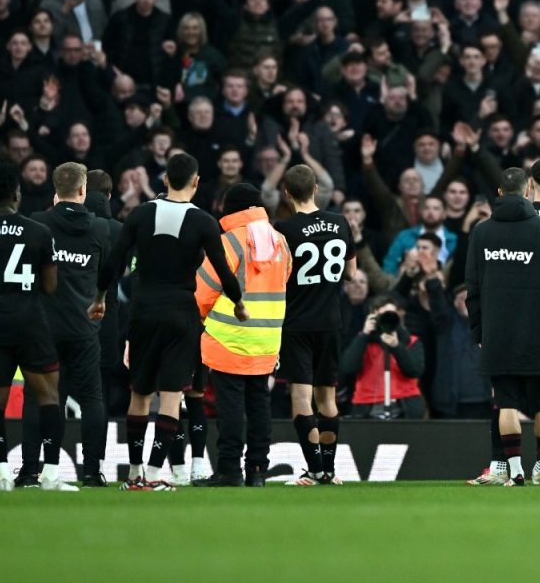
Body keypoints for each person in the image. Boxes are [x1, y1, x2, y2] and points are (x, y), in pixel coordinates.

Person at [99, 153, 245, 491]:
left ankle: (134, 473)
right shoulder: (204, 221)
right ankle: (152, 475)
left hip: (143, 312)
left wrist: (97, 298)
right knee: (170, 396)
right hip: (181, 314)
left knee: (139, 394)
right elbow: (224, 271)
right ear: (195, 183)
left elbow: (115, 260)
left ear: (164, 180)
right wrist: (238, 303)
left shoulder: (140, 214)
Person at [463, 149, 540, 486]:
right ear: (527, 190)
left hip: (498, 333)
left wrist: (479, 332)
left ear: (499, 194)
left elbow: (472, 289)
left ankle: (512, 472)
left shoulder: (482, 233)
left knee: (505, 405)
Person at [0, 163, 70, 492]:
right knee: (49, 395)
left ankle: (3, 473)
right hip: (31, 323)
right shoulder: (39, 232)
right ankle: (50, 474)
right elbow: (50, 286)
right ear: (17, 194)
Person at [13, 163, 111, 488]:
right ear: (83, 191)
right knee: (92, 398)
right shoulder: (99, 228)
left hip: (44, 328)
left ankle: (30, 470)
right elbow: (108, 271)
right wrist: (100, 297)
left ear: (55, 191)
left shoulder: (38, 223)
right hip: (84, 328)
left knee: (38, 397)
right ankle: (94, 472)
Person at [193, 183, 291, 487]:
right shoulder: (280, 242)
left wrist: (203, 318)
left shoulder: (228, 242)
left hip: (229, 339)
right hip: (267, 339)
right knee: (260, 405)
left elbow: (203, 291)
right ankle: (258, 470)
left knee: (231, 406)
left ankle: (229, 469)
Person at [276, 164, 356, 486]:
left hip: (296, 323)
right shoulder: (340, 223)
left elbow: (277, 276)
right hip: (330, 322)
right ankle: (330, 470)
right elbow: (350, 274)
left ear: (287, 193)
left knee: (301, 396)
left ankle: (314, 469)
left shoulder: (283, 229)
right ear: (316, 189)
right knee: (327, 398)